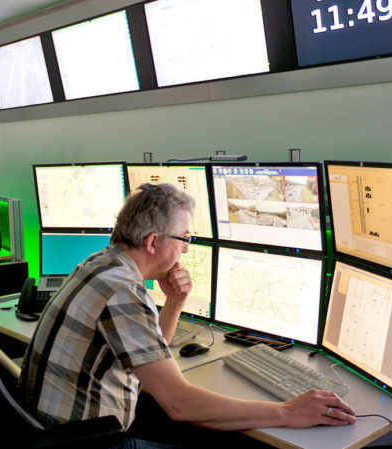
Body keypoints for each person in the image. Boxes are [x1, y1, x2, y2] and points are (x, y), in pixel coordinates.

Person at [19, 183, 355, 448]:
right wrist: (286, 412)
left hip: (55, 431)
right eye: (184, 238)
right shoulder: (122, 291)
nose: (186, 249)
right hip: (90, 442)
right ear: (152, 242)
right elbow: (179, 404)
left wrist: (175, 302)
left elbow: (150, 357)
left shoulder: (102, 263)